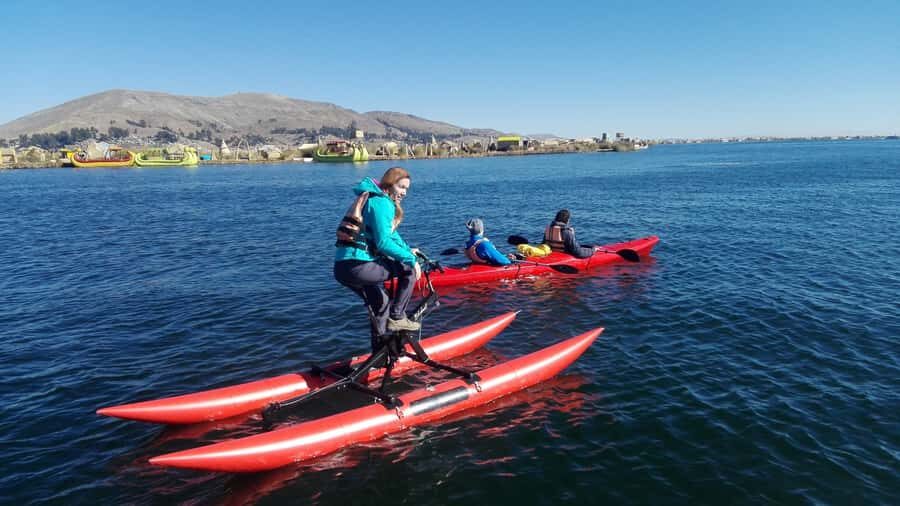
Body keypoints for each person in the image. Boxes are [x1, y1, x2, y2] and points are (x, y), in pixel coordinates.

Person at [334, 167, 422, 346]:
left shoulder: (373, 198)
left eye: (407, 189)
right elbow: (383, 243)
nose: (404, 193)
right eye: (401, 187)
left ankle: (379, 357)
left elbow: (391, 236)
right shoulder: (382, 203)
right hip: (358, 266)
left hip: (343, 267)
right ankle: (398, 316)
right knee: (408, 270)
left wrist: (407, 251)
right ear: (390, 184)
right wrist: (412, 261)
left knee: (381, 304)